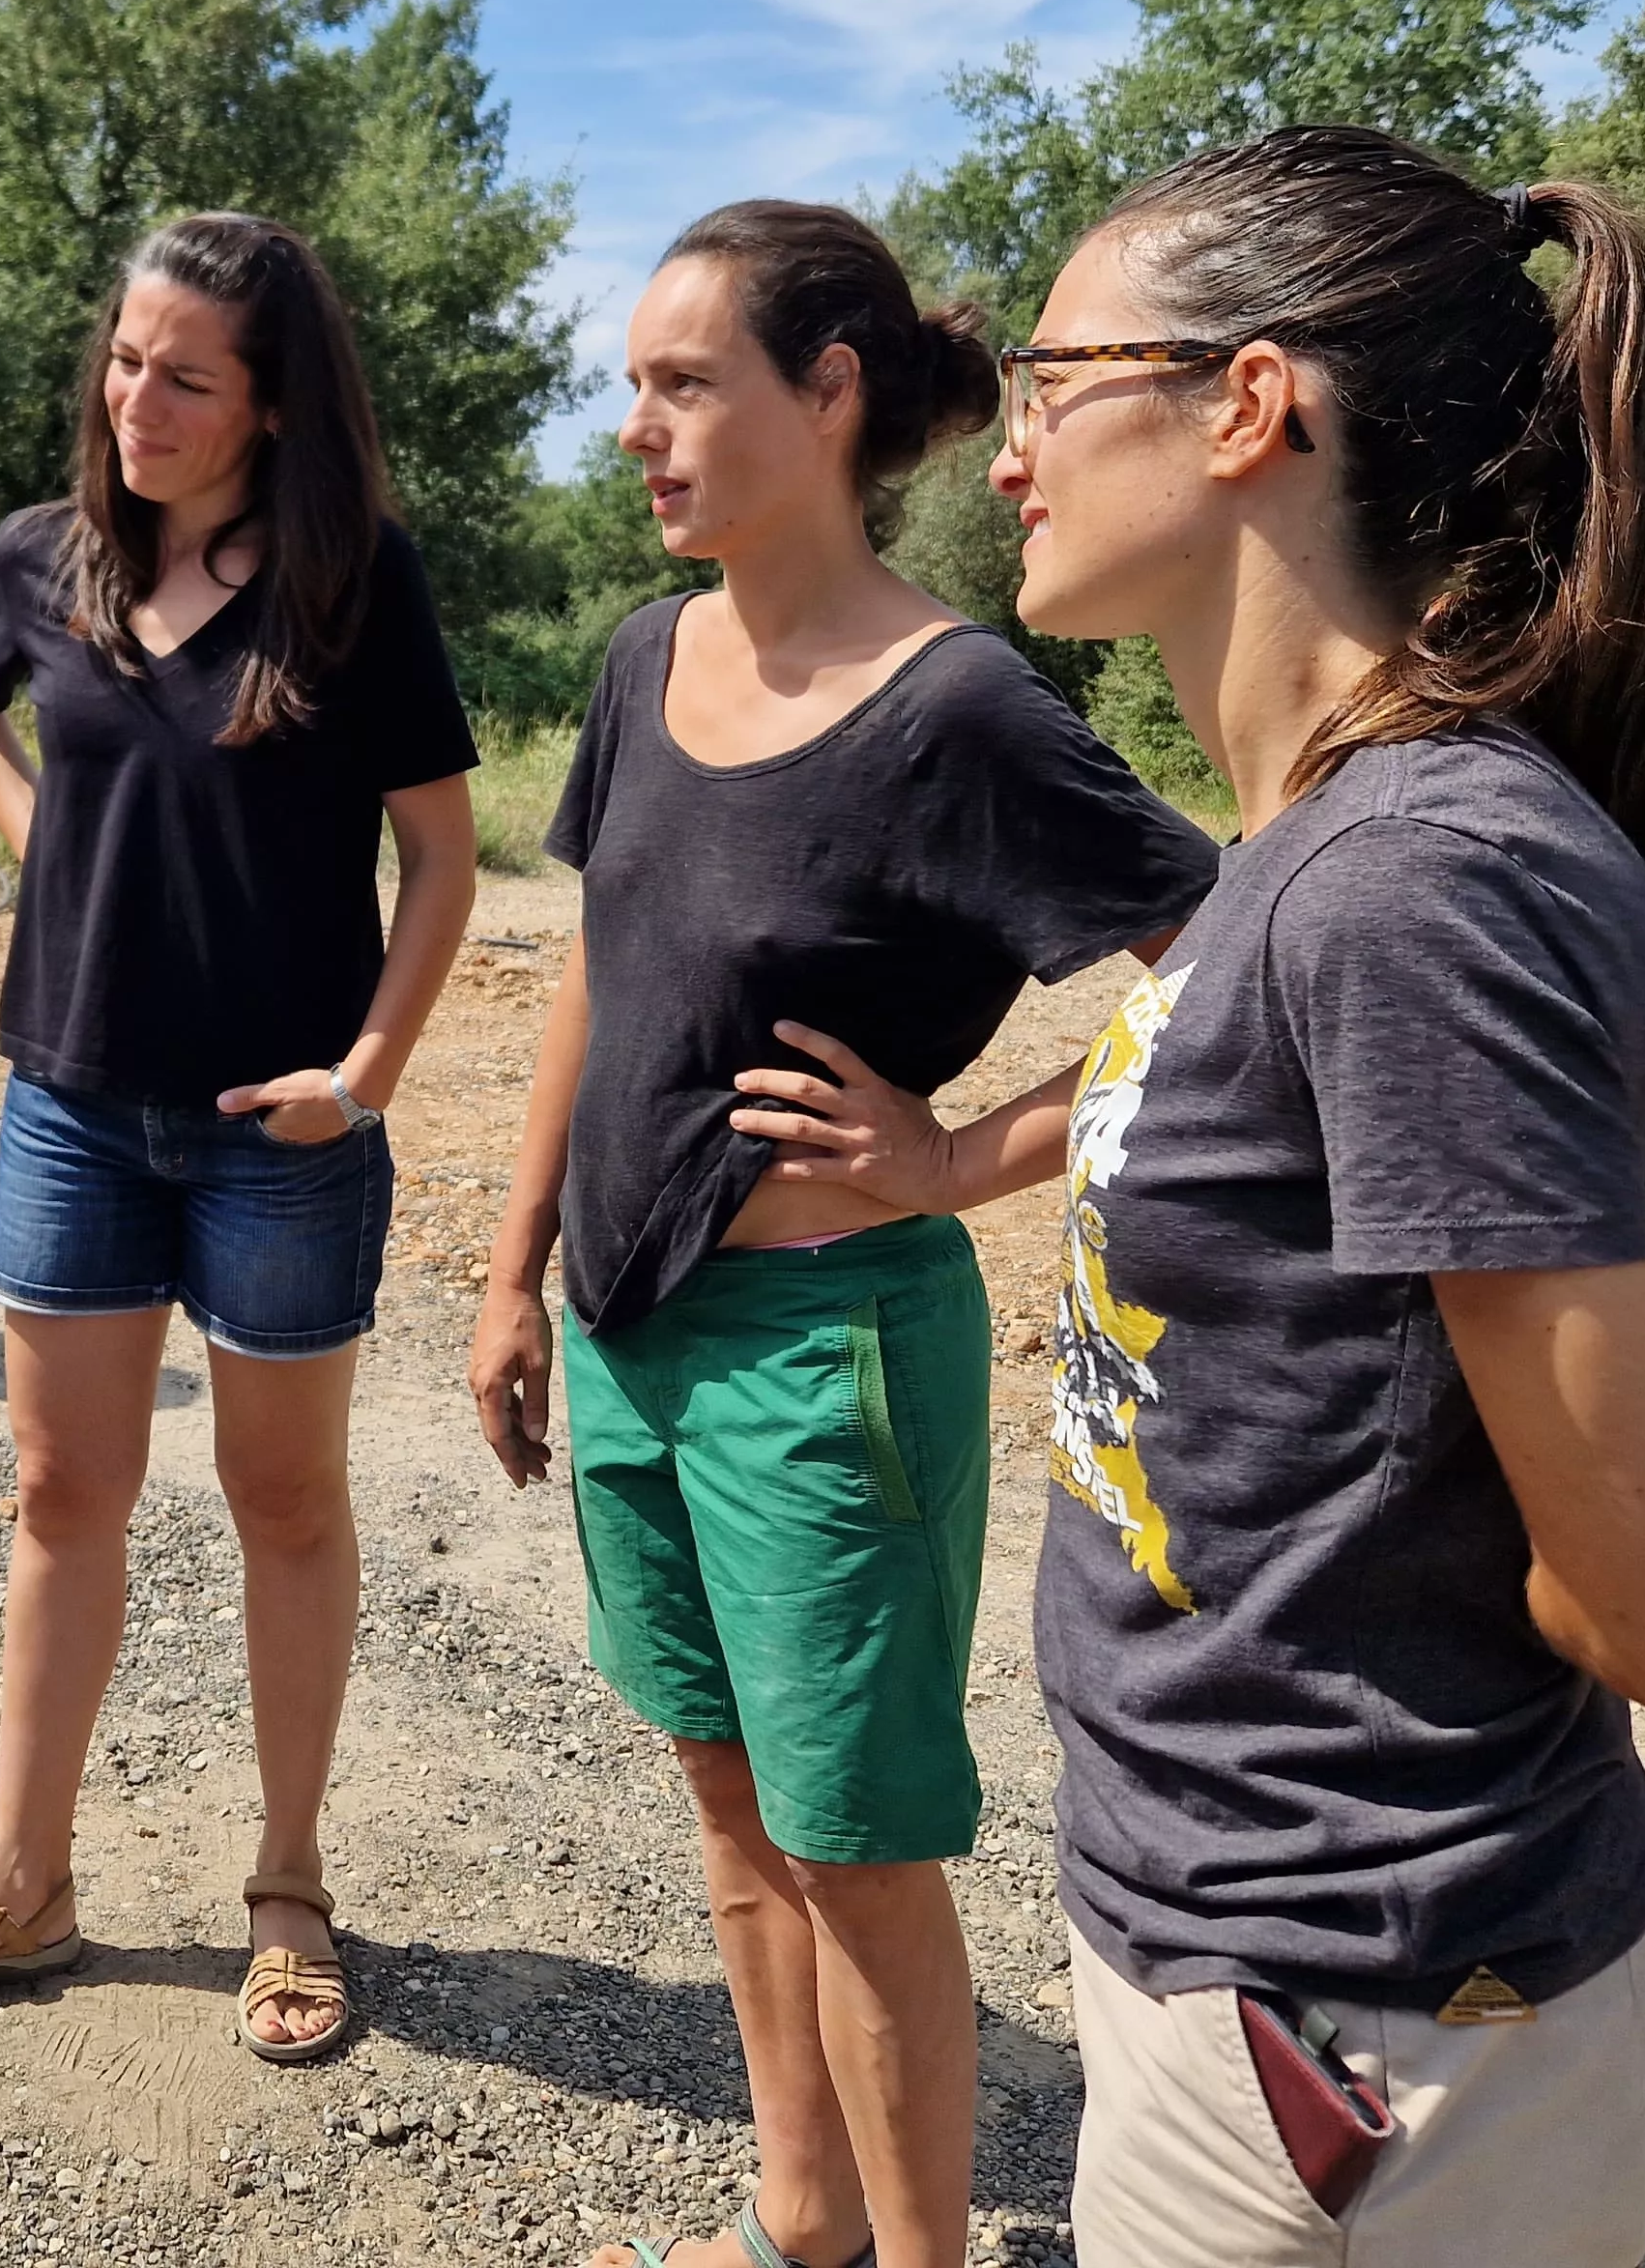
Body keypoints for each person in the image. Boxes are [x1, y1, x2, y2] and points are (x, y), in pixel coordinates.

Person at [847, 129, 1645, 2266]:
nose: (1003, 455)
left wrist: (1407, 1682)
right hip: (1272, 1969)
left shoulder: (1413, 887)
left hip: (1370, 2018)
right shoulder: (1311, 854)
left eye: (1055, 380)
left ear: (1249, 406)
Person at [472, 201, 1220, 2268]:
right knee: (725, 1804)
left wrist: (960, 1159)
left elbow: (1235, 978)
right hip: (627, 1333)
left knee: (857, 1853)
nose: (635, 425)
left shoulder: (955, 709)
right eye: (630, 383)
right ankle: (795, 2219)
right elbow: (596, 976)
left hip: (825, 1355)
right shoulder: (646, 655)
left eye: (682, 381)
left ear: (827, 397)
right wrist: (507, 1265)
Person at [0, 212, 480, 2067]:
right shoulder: (47, 561)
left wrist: (369, 1071)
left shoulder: (356, 584)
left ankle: (287, 1885)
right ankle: (24, 1886)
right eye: (125, 360)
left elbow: (439, 855)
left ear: (271, 408)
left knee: (283, 1504)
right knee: (60, 1498)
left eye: (186, 376)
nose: (138, 399)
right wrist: (50, 851)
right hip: (72, 1110)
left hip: (283, 1135)